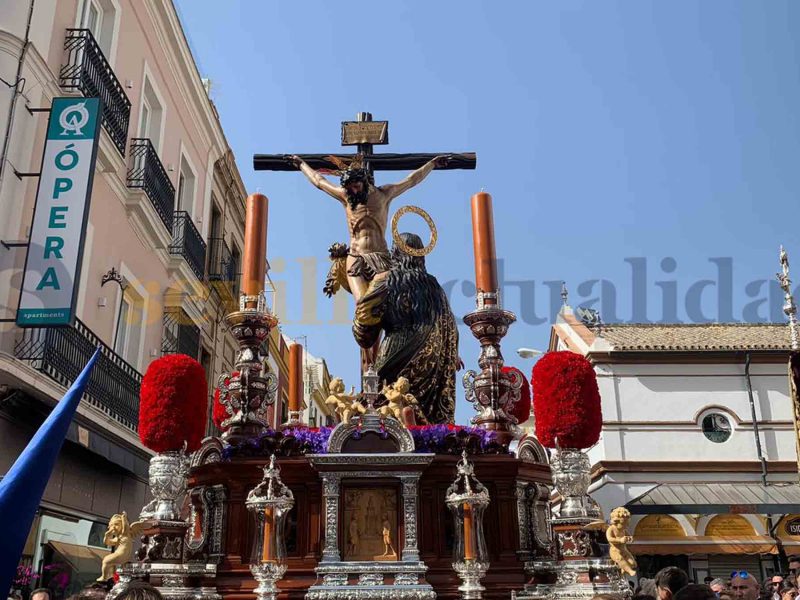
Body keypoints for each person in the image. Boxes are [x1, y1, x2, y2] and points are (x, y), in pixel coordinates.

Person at [292, 154, 449, 303]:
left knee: (383, 306)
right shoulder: (346, 197)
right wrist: (301, 164)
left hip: (380, 256)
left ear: (364, 180)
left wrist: (432, 164)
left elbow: (411, 180)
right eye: (350, 188)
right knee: (363, 304)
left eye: (356, 186)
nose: (354, 191)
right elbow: (319, 181)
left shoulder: (384, 193)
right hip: (356, 257)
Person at [353, 232, 460, 424]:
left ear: (396, 253)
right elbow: (450, 327)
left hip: (395, 353)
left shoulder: (386, 280)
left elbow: (365, 332)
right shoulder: (434, 286)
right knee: (424, 418)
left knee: (379, 405)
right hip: (432, 363)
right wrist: (450, 354)